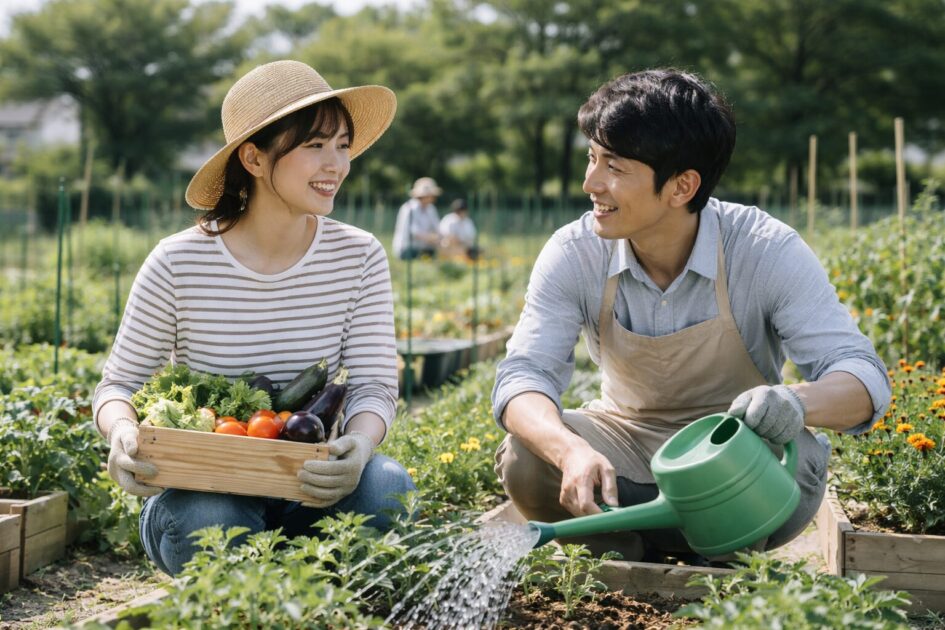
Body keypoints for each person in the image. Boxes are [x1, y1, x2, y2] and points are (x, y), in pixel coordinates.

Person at [492, 69, 890, 562]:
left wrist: (796, 402)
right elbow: (523, 375)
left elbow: (863, 378)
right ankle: (621, 553)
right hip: (626, 444)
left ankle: (716, 560)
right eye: (593, 158)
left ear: (682, 187)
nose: (589, 182)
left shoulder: (764, 249)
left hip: (737, 454)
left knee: (768, 473)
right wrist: (568, 449)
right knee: (526, 456)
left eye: (613, 166)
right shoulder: (575, 252)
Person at [93, 60, 416, 576]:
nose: (336, 163)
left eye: (342, 145)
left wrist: (361, 443)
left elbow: (375, 383)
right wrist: (122, 436)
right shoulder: (178, 262)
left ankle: (285, 582)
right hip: (206, 489)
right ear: (254, 158)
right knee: (206, 518)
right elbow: (120, 384)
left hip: (309, 485)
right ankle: (281, 580)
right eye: (314, 146)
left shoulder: (359, 256)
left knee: (387, 487)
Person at [392, 176, 442, 259]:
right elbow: (414, 233)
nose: (433, 198)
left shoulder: (431, 209)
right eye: (431, 195)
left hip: (424, 248)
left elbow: (437, 228)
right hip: (407, 248)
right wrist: (432, 238)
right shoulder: (409, 208)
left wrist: (439, 238)